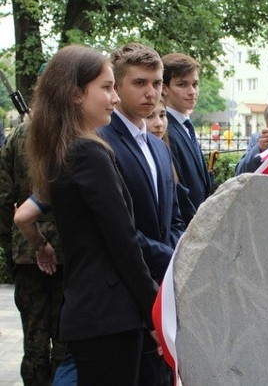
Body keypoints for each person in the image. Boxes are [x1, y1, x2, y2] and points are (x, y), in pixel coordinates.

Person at [24, 44, 159, 386]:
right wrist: (155, 311)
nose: (115, 98)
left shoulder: (64, 149)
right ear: (75, 95)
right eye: (107, 87)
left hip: (94, 313)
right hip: (110, 316)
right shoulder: (87, 153)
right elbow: (123, 241)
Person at [101, 42, 184, 386]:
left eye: (156, 83)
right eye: (139, 83)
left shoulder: (157, 145)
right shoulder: (101, 142)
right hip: (122, 298)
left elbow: (174, 217)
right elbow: (119, 230)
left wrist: (181, 253)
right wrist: (174, 258)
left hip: (164, 290)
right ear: (117, 87)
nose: (151, 93)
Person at [0, 121, 65, 386]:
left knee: (34, 338)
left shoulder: (18, 135)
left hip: (27, 249)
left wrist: (12, 245)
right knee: (64, 340)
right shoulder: (71, 130)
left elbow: (4, 197)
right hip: (68, 249)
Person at [162, 53, 213, 225]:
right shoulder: (164, 130)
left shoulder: (185, 126)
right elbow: (179, 193)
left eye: (195, 84)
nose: (192, 92)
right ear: (164, 88)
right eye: (182, 84)